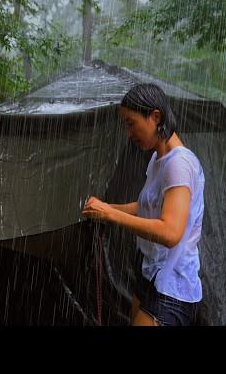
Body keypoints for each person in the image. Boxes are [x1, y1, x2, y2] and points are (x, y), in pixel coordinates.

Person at [81, 83, 205, 326]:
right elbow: (145, 206)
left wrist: (111, 216)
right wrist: (106, 208)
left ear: (155, 117)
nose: (129, 133)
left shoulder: (179, 164)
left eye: (130, 123)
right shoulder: (159, 160)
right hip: (150, 275)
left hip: (173, 287)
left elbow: (171, 233)